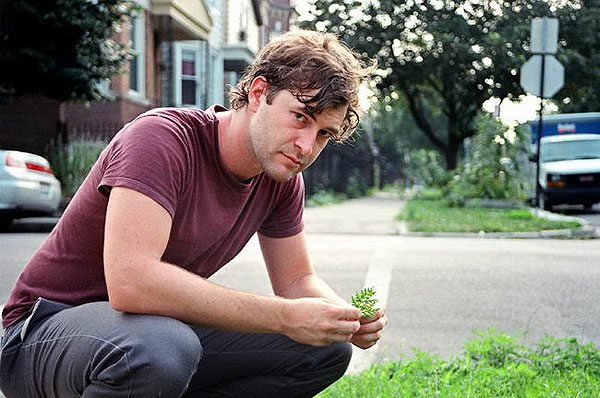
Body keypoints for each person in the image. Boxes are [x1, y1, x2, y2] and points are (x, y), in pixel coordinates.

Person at [0, 30, 387, 397]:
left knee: (323, 351)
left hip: (148, 332)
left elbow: (298, 280)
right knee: (162, 349)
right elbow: (132, 282)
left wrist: (342, 319)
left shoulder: (280, 177)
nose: (306, 146)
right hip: (41, 336)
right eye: (300, 117)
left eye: (323, 134)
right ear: (258, 93)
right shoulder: (162, 139)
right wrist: (286, 317)